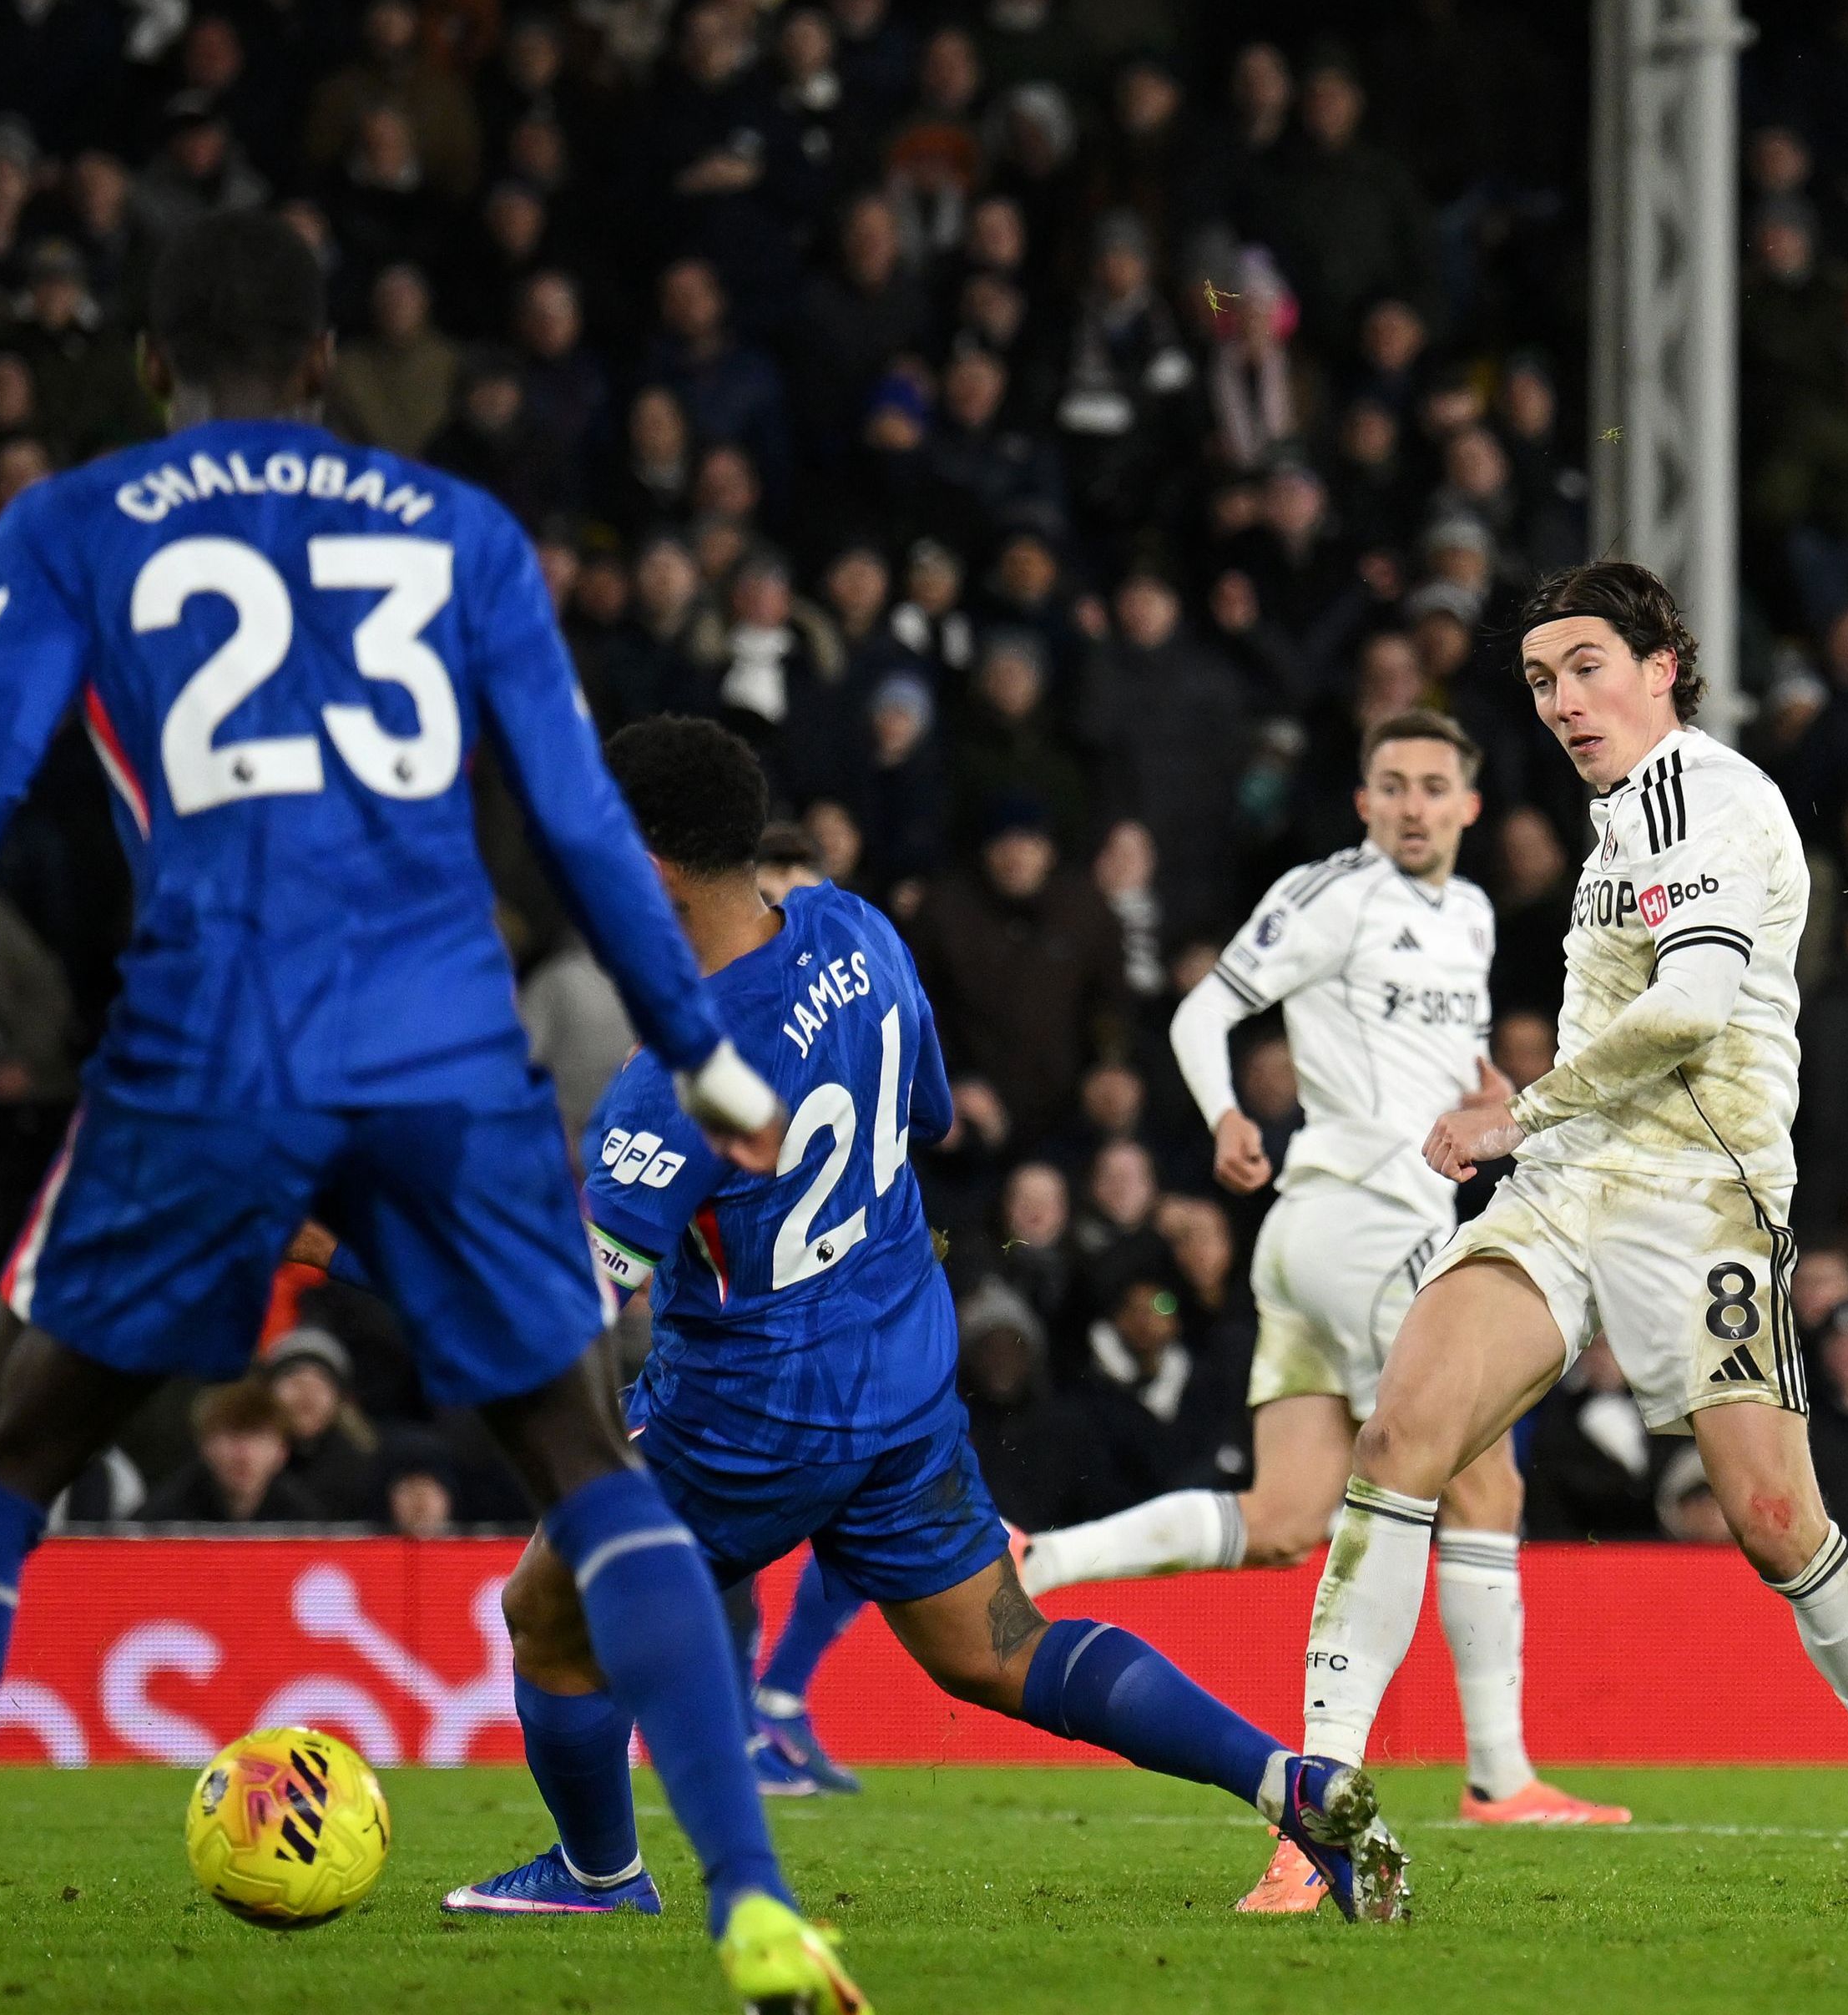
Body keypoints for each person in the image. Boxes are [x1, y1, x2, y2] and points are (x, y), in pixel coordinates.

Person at [0, 213, 855, 2015]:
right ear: (329, 365)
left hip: (212, 1041)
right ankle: (748, 1899)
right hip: (442, 1042)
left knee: (3, 1459)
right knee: (581, 1460)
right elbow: (578, 821)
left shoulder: (76, 521)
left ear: (156, 370)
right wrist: (700, 1049)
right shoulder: (461, 530)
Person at [447, 718, 1401, 1922]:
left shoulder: (670, 1083)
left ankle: (598, 1877)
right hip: (897, 1386)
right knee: (998, 1650)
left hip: (749, 1420)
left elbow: (563, 1303)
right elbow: (929, 1120)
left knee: (546, 1616)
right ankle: (1288, 1780)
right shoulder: (857, 930)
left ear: (650, 871)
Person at [1310, 560, 1848, 1915]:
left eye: (1587, 667)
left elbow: (1689, 1010)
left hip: (1704, 1193)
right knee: (1398, 1442)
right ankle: (1320, 1802)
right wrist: (1542, 1132)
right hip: (1569, 1184)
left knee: (1776, 1519)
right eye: (1543, 681)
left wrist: (1522, 1107)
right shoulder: (1620, 819)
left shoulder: (1711, 800)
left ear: (1664, 664)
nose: (1562, 701)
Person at [1020, 706, 1628, 1905]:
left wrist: (1493, 1096)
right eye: (1389, 785)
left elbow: (1440, 1066)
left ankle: (1036, 1561)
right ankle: (1381, 1794)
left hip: (1319, 1246)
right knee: (1472, 1474)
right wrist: (1225, 1118)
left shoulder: (1464, 917)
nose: (1409, 805)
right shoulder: (1330, 893)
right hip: (1363, 1221)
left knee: (1290, 1512)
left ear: (1466, 804)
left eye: (1431, 787)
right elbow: (1203, 1010)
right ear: (1362, 802)